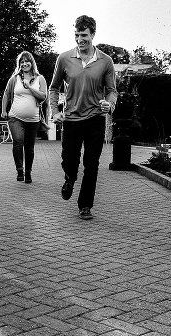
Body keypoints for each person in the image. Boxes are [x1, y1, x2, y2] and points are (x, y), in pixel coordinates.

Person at [49, 15, 117, 220]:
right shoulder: (64, 58)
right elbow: (53, 88)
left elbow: (112, 90)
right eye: (77, 35)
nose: (80, 39)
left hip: (95, 118)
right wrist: (55, 112)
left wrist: (109, 103)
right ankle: (70, 178)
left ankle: (85, 205)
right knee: (69, 160)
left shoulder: (106, 61)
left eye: (84, 35)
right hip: (71, 118)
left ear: (93, 34)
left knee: (92, 163)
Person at [1, 51, 50, 184]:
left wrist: (29, 87)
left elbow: (43, 96)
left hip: (33, 120)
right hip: (15, 117)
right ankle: (19, 170)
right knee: (17, 141)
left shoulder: (40, 79)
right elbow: (6, 94)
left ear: (32, 62)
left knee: (29, 147)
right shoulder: (14, 78)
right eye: (21, 62)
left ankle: (28, 172)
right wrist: (3, 110)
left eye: (26, 61)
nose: (24, 64)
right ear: (19, 64)